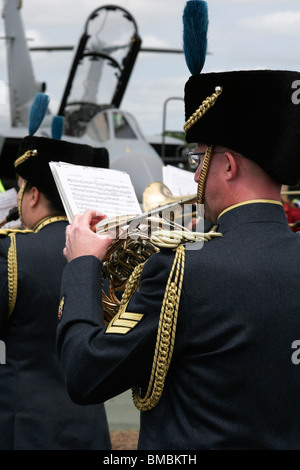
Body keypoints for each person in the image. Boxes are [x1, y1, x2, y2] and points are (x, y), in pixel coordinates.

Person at [56, 2, 300, 450]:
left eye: (198, 158)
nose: (193, 176)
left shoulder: (182, 271)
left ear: (225, 166)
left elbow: (84, 375)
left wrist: (84, 265)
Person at [0, 135, 112, 450]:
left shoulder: (11, 251)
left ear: (32, 194)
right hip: (91, 430)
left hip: (22, 429)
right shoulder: (110, 253)